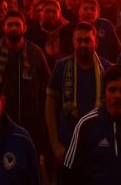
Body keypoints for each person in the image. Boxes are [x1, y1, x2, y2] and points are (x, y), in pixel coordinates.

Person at [0, 10, 50, 156]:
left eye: (17, 25)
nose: (13, 28)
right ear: (4, 27)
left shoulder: (35, 53)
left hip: (32, 123)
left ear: (24, 27)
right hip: (2, 121)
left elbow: (46, 84)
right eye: (10, 25)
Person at [46, 22, 111, 165]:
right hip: (68, 146)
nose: (82, 44)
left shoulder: (108, 70)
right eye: (79, 40)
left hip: (100, 145)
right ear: (73, 42)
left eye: (87, 40)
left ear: (96, 42)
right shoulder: (60, 67)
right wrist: (55, 145)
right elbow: (50, 108)